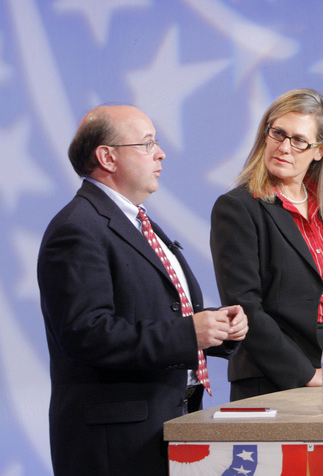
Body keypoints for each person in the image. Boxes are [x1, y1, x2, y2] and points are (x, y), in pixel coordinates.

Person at [38, 105, 248, 475]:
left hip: (166, 424)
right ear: (108, 156)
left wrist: (214, 330)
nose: (161, 153)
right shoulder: (78, 228)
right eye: (148, 143)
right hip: (115, 443)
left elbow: (156, 310)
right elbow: (86, 333)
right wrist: (188, 333)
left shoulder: (135, 220)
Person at [210, 88, 323, 401]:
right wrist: (306, 374)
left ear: (320, 150)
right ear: (264, 134)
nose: (284, 147)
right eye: (278, 133)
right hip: (271, 375)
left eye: (298, 140)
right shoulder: (238, 207)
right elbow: (245, 305)